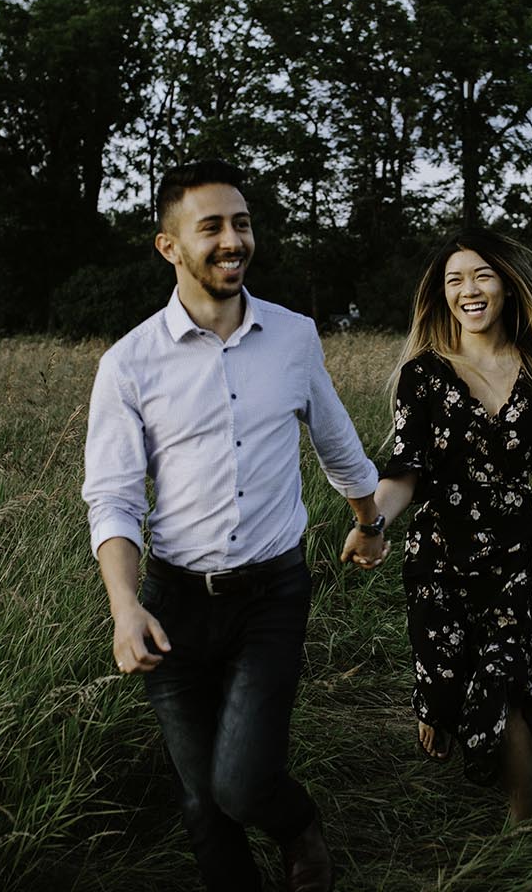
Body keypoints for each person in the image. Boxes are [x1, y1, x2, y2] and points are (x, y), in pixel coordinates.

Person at [83, 159, 388, 892]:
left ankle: (298, 825)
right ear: (169, 246)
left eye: (242, 223)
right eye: (211, 226)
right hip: (174, 605)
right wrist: (126, 607)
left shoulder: (293, 336)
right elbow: (115, 498)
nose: (232, 240)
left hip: (270, 598)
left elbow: (337, 443)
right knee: (202, 802)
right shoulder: (128, 364)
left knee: (242, 786)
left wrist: (370, 520)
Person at [360, 228, 532, 823]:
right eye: (454, 280)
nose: (469, 290)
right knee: (453, 687)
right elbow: (405, 471)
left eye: (481, 275)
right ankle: (440, 703)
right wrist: (374, 521)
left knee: (507, 681)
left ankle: (522, 822)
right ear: (442, 295)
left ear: (507, 284)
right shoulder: (424, 376)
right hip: (438, 562)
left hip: (515, 558)